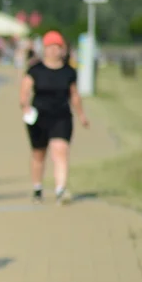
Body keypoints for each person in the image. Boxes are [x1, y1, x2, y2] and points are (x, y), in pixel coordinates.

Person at [19, 30, 90, 204]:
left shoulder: (69, 71)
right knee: (39, 154)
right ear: (44, 49)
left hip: (61, 116)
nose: (53, 51)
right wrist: (25, 106)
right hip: (39, 116)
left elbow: (74, 95)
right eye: (50, 47)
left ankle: (60, 190)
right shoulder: (35, 69)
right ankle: (37, 188)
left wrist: (81, 115)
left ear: (62, 49)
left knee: (60, 151)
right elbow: (24, 91)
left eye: (57, 47)